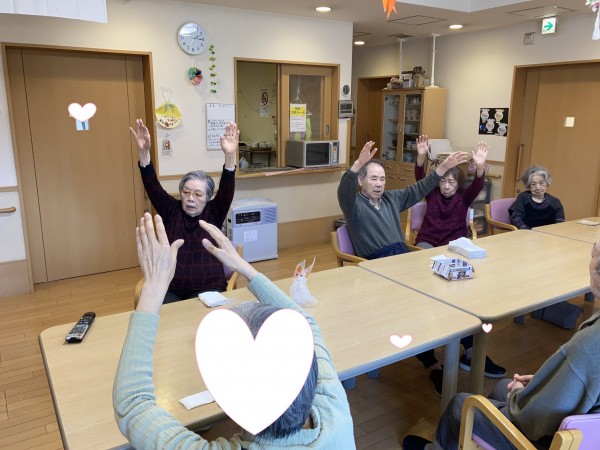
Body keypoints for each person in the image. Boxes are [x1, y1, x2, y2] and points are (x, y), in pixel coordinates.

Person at [113, 213, 356, 449]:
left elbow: (133, 405)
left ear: (223, 401)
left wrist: (153, 289)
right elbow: (306, 324)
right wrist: (246, 269)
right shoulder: (335, 408)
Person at [403, 238, 600, 450]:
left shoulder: (588, 346)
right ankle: (480, 439)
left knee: (460, 405)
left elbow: (531, 419)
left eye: (594, 253)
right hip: (589, 436)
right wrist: (545, 382)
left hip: (545, 441)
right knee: (500, 387)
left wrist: (518, 394)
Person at [337, 140, 469, 395]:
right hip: (379, 265)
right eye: (373, 178)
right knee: (416, 305)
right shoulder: (353, 205)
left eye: (382, 179)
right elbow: (343, 191)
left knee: (445, 291)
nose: (379, 184)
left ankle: (466, 345)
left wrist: (442, 168)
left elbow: (419, 188)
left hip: (403, 258)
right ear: (361, 181)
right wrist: (356, 165)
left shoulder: (390, 199)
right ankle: (433, 365)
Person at [413, 137, 506, 379]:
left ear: (458, 184)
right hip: (428, 243)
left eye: (451, 182)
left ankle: (471, 351)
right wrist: (421, 156)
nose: (446, 186)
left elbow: (478, 184)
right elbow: (420, 177)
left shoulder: (464, 198)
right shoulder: (431, 194)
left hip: (454, 247)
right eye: (443, 181)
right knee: (425, 274)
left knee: (464, 292)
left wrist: (480, 165)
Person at [130, 119, 238, 303]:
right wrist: (144, 152)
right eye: (186, 192)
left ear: (208, 197)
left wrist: (230, 156)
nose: (190, 198)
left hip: (208, 287)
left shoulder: (214, 211)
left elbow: (227, 189)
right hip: (170, 287)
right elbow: (152, 185)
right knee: (161, 315)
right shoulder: (171, 209)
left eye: (198, 194)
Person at [509, 165, 565, 230]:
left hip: (548, 234)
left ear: (547, 183)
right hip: (526, 233)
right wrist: (526, 230)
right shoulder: (523, 197)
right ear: (528, 185)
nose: (538, 187)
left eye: (541, 183)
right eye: (533, 184)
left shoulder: (555, 202)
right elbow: (516, 217)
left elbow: (560, 221)